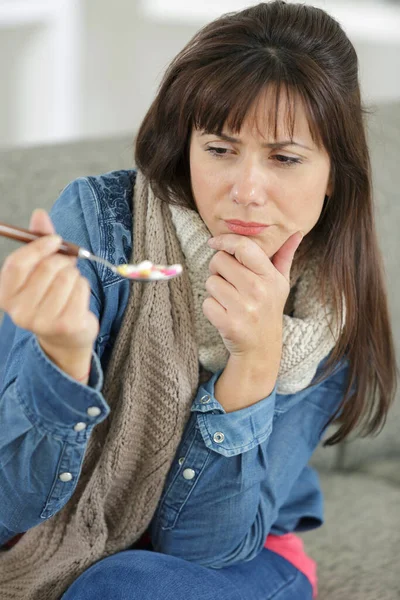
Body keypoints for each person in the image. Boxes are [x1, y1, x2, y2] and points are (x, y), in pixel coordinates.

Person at [0, 1, 397, 599]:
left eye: (285, 159)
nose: (245, 191)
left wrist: (257, 364)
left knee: (124, 584)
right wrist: (60, 360)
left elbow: (203, 549)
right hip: (53, 544)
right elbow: (10, 507)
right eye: (219, 149)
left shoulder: (325, 312)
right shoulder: (105, 229)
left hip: (244, 559)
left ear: (334, 173)